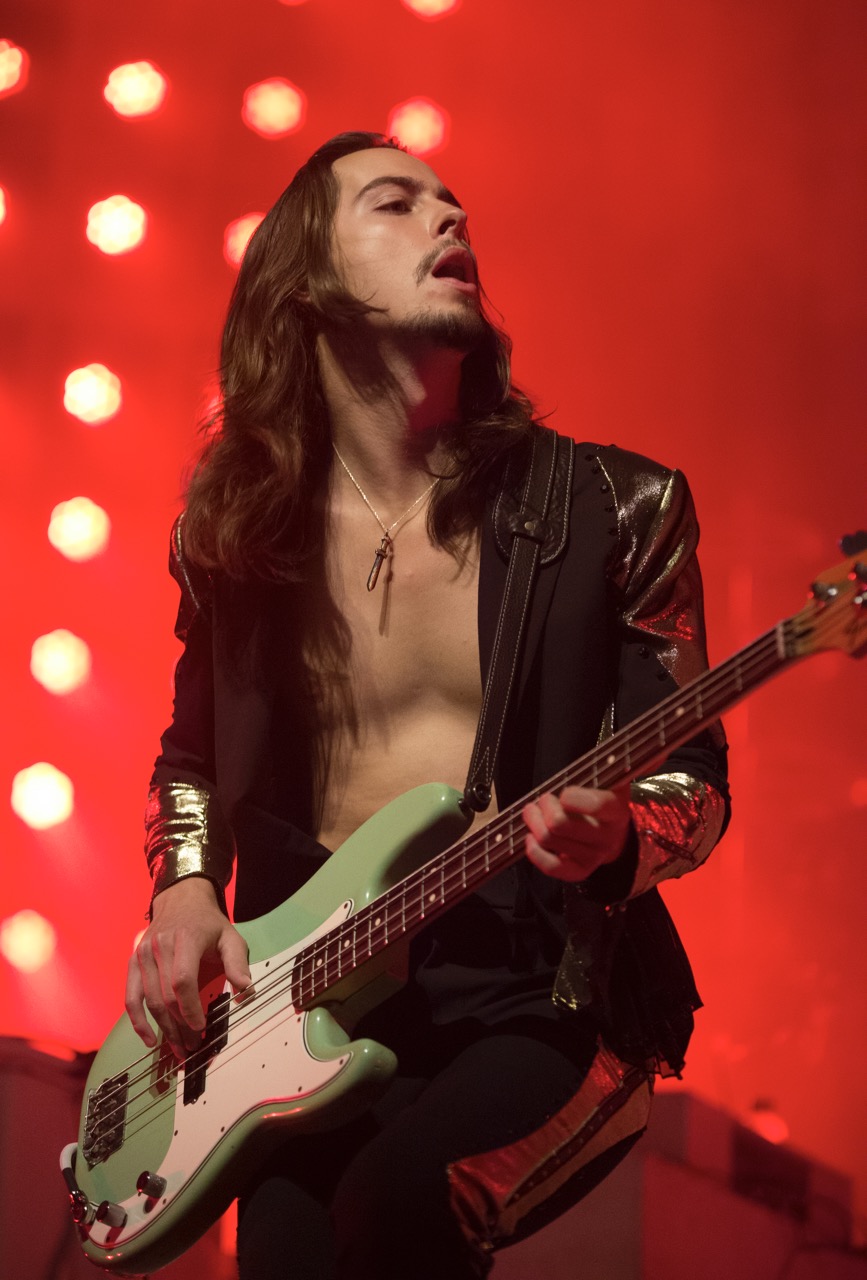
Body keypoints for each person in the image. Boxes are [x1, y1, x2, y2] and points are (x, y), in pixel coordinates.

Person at [125, 131, 729, 1279]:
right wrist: (187, 889)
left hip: (537, 990)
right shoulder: (238, 528)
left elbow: (692, 776)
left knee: (398, 1209)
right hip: (308, 997)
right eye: (396, 204)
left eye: (452, 205)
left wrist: (619, 836)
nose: (448, 219)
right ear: (307, 280)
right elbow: (190, 757)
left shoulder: (617, 506)